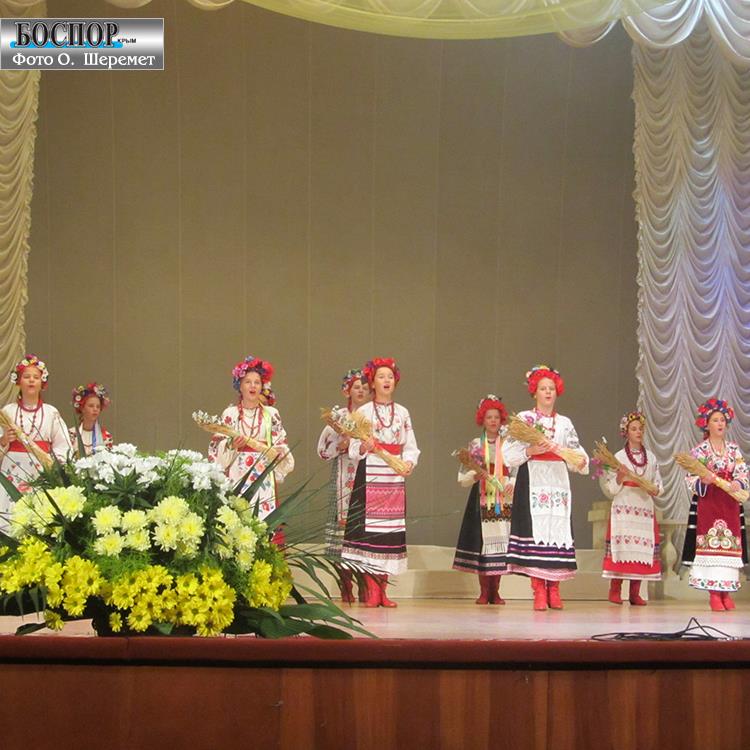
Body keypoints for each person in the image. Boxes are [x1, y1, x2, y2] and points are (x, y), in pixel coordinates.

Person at [501, 365, 588, 611]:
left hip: (557, 481)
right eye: (543, 388)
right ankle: (539, 588)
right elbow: (508, 453)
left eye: (551, 388)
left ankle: (555, 588)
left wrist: (579, 460)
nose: (548, 392)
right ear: (534, 392)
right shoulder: (525, 420)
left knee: (556, 530)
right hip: (533, 478)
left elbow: (576, 451)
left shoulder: (565, 423)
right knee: (535, 529)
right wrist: (530, 450)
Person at [342, 357, 419, 608]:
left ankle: (383, 590)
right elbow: (353, 447)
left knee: (389, 534)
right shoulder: (363, 412)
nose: (386, 381)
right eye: (381, 377)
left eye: (390, 377)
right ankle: (372, 590)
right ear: (373, 382)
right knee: (370, 534)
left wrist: (409, 462)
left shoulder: (403, 412)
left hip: (393, 477)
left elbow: (411, 445)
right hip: (371, 474)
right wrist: (363, 446)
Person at [681, 398, 748, 611]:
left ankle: (726, 591)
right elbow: (690, 478)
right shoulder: (700, 451)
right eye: (715, 420)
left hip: (729, 503)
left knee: (729, 547)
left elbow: (743, 472)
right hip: (709, 503)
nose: (720, 424)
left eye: (722, 420)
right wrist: (703, 480)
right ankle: (714, 594)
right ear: (706, 424)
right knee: (711, 545)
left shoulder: (734, 450)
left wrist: (738, 482)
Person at [207, 355, 293, 520]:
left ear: (262, 387)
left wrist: (278, 452)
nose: (253, 386)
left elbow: (280, 443)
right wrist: (231, 445)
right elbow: (216, 447)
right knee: (238, 518)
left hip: (263, 472)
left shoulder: (271, 414)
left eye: (257, 382)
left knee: (262, 521)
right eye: (248, 382)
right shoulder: (230, 414)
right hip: (237, 472)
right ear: (240, 386)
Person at [453, 394, 514, 605]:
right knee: (482, 544)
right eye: (489, 417)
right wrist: (475, 475)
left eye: (496, 417)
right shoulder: (476, 445)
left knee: (501, 543)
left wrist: (511, 483)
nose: (493, 421)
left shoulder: (508, 445)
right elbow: (462, 478)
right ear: (483, 419)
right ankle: (484, 591)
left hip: (502, 498)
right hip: (481, 498)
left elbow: (515, 469)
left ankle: (495, 591)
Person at [317, 368, 370, 603]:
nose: (361, 391)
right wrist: (339, 446)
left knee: (365, 531)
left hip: (367, 475)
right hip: (343, 475)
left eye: (365, 388)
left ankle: (366, 586)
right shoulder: (338, 417)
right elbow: (322, 450)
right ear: (347, 390)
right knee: (341, 534)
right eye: (356, 387)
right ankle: (345, 585)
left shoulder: (372, 415)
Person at [0, 355, 72, 527]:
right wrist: (4, 440)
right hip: (12, 469)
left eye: (36, 377)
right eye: (26, 377)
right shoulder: (8, 411)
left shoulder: (51, 412)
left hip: (41, 470)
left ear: (42, 382)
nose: (31, 380)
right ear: (18, 381)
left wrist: (54, 465)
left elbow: (63, 445)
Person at [601, 411, 662, 605]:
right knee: (622, 547)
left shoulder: (650, 457)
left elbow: (658, 483)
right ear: (625, 432)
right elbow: (611, 488)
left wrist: (654, 489)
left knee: (641, 548)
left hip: (643, 505)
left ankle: (635, 592)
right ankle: (615, 590)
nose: (638, 432)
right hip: (624, 505)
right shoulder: (618, 457)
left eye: (640, 429)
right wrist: (620, 477)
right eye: (634, 429)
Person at [69, 382, 113, 456]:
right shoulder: (71, 434)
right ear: (82, 408)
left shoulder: (106, 437)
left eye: (98, 407)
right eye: (91, 406)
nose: (95, 409)